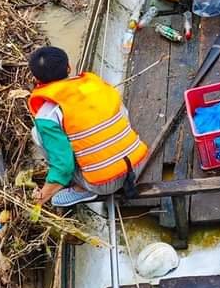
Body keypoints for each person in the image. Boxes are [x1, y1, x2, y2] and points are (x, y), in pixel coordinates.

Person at [28, 45, 148, 208]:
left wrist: (41, 197)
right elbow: (124, 116)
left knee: (37, 133)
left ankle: (83, 189)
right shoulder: (97, 85)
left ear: (37, 80)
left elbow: (64, 165)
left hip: (104, 184)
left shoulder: (47, 114)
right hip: (138, 164)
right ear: (69, 67)